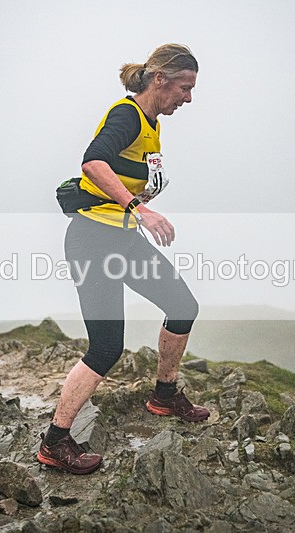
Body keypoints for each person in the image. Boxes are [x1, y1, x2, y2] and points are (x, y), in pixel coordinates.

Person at [38, 44, 209, 474]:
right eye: (185, 88)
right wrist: (141, 209)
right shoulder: (127, 114)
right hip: (93, 242)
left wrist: (140, 204)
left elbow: (123, 173)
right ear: (160, 80)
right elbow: (92, 162)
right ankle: (55, 441)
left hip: (124, 241)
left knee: (183, 307)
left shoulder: (151, 124)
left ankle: (164, 395)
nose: (188, 98)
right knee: (107, 347)